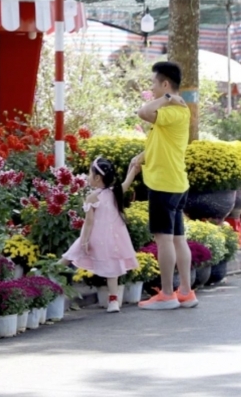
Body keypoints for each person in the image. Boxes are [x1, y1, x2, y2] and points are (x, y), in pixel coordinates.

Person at [124, 61, 196, 310]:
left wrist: (166, 98)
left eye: (154, 83)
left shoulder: (173, 109)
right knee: (178, 239)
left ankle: (167, 294)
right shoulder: (176, 112)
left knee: (164, 240)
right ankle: (185, 292)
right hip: (175, 182)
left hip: (164, 185)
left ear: (165, 84)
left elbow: (142, 112)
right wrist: (142, 157)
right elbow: (163, 141)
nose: (151, 88)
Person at [62, 158, 138, 313]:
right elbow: (126, 183)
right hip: (113, 238)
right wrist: (133, 170)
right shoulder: (115, 192)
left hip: (94, 236)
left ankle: (46, 276)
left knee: (69, 256)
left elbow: (89, 222)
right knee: (112, 268)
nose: (88, 176)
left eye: (90, 173)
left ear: (97, 178)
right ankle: (113, 301)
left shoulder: (92, 197)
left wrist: (84, 241)